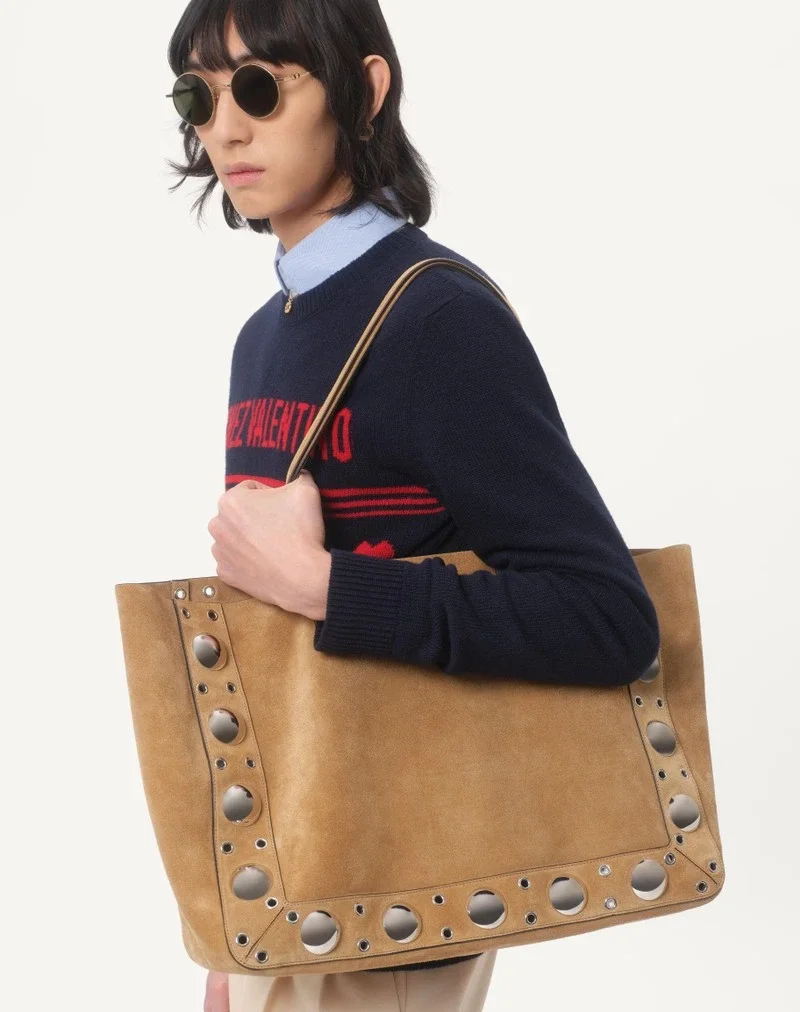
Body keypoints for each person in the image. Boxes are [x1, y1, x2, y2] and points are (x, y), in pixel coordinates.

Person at [164, 2, 661, 1010]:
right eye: (198, 98)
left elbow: (607, 616)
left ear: (365, 89)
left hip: (395, 896)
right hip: (293, 880)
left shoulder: (437, 319)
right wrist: (235, 932)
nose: (227, 127)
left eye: (260, 87)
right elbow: (271, 653)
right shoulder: (266, 335)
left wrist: (324, 583)